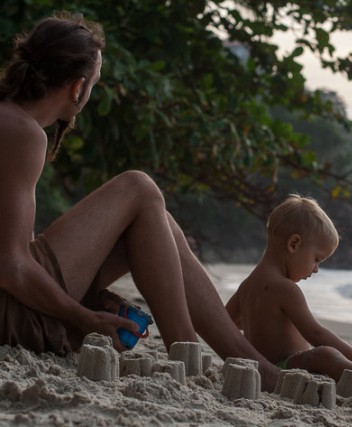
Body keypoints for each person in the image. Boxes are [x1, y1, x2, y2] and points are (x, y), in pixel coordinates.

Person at [0, 12, 279, 390]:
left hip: (12, 299)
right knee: (139, 187)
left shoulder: (10, 120)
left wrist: (93, 297)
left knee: (156, 219)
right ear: (77, 87)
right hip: (8, 315)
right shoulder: (22, 132)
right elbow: (11, 266)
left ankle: (234, 357)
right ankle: (194, 355)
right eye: (94, 85)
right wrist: (85, 318)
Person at [225, 195, 352, 391]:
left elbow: (226, 322)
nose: (316, 269)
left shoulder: (247, 285)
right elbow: (315, 333)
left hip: (260, 370)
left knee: (323, 359)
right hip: (282, 371)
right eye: (317, 259)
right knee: (325, 355)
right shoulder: (285, 288)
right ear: (294, 244)